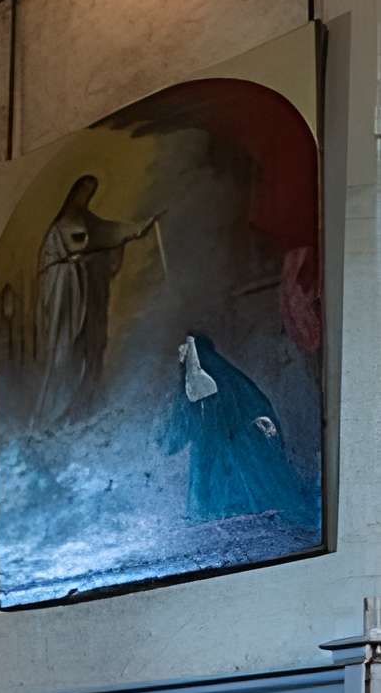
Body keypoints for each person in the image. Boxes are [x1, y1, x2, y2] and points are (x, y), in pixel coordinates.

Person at [31, 176, 158, 426]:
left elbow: (110, 232)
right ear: (74, 191)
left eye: (91, 191)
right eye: (83, 190)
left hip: (86, 299)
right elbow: (68, 252)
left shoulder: (89, 220)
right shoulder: (61, 227)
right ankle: (53, 415)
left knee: (91, 351)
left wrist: (134, 230)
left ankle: (82, 410)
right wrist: (74, 265)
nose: (86, 196)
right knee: (64, 355)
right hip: (66, 297)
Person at [160, 332, 316, 528]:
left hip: (220, 456)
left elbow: (178, 431)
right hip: (227, 452)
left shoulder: (206, 384)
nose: (181, 358)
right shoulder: (232, 381)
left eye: (184, 353)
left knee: (225, 508)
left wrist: (164, 441)